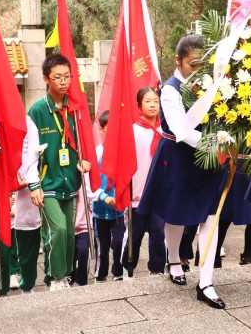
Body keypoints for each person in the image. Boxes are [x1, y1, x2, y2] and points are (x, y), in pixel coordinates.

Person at [138, 35, 226, 309]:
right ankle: (174, 258)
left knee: (211, 219)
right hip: (179, 156)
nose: (197, 70)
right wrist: (214, 143)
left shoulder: (211, 86)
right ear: (178, 61)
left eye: (202, 64)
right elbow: (180, 130)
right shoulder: (170, 90)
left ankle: (206, 282)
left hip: (211, 160)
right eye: (191, 64)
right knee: (176, 217)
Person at [26, 54, 91, 291]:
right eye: (57, 77)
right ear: (46, 79)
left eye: (67, 77)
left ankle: (65, 276)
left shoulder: (74, 109)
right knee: (58, 228)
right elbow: (28, 152)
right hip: (47, 183)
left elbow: (79, 143)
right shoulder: (37, 111)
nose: (63, 82)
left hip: (69, 181)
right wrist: (34, 185)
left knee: (69, 232)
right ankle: (54, 277)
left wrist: (82, 161)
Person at [121, 87, 166, 275]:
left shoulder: (165, 131)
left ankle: (157, 270)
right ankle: (127, 270)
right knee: (134, 235)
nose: (153, 105)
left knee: (158, 233)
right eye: (148, 101)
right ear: (139, 105)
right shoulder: (133, 131)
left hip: (159, 195)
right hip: (137, 194)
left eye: (155, 101)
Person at [93, 111, 125, 282]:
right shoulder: (98, 153)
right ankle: (101, 273)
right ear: (103, 130)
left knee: (119, 242)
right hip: (100, 208)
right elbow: (93, 182)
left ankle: (118, 271)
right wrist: (104, 196)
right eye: (109, 128)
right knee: (103, 245)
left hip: (119, 209)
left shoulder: (125, 154)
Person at [14, 117, 44, 294]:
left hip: (28, 191)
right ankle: (8, 274)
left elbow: (32, 156)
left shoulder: (28, 122)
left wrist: (31, 181)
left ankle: (28, 282)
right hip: (6, 190)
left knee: (29, 240)